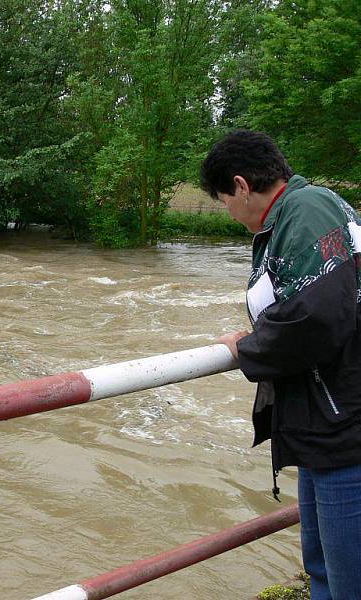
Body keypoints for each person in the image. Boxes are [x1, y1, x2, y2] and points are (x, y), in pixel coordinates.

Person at [201, 130, 361, 600]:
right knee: (324, 570)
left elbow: (320, 312)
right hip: (323, 423)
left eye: (224, 200)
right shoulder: (296, 213)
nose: (229, 213)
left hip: (344, 428)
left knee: (349, 580)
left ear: (242, 185)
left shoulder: (306, 211)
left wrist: (248, 347)